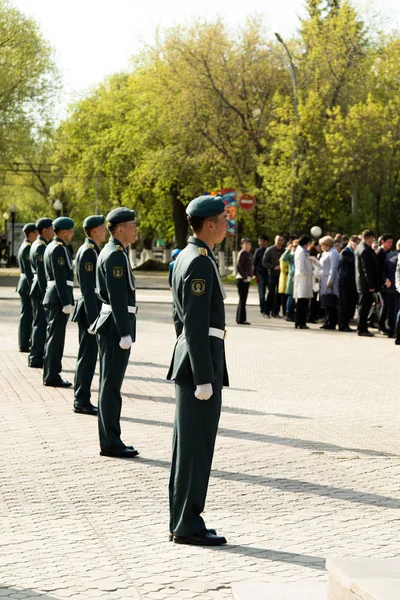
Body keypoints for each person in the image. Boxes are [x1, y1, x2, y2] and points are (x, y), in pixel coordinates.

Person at [167, 195, 229, 547]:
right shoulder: (199, 262)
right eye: (223, 218)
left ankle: (183, 517)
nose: (226, 223)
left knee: (188, 446)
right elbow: (193, 322)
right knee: (195, 446)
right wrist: (204, 376)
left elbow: (181, 319)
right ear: (209, 224)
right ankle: (188, 521)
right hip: (199, 366)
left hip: (192, 360)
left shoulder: (186, 257)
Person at [91, 207, 139, 458]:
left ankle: (112, 438)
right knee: (110, 387)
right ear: (120, 228)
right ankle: (110, 441)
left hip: (112, 324)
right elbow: (118, 297)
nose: (135, 230)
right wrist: (124, 332)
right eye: (132, 225)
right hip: (114, 327)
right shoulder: (115, 256)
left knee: (109, 386)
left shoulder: (114, 251)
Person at [72, 215, 107, 416]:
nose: (105, 231)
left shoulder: (92, 250)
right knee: (87, 357)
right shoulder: (88, 252)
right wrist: (95, 319)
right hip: (89, 310)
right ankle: (81, 399)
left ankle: (82, 397)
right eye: (102, 228)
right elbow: (88, 288)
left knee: (88, 356)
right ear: (94, 231)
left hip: (91, 308)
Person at [42, 217, 75, 387]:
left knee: (53, 338)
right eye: (70, 230)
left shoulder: (53, 246)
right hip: (57, 298)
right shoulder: (58, 249)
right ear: (63, 231)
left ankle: (51, 373)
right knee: (56, 339)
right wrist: (66, 302)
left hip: (54, 296)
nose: (71, 233)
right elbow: (61, 278)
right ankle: (52, 375)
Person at [28, 218, 54, 368]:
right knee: (40, 323)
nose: (53, 231)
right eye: (51, 228)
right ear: (44, 230)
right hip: (39, 289)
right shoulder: (41, 247)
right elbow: (42, 273)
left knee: (39, 322)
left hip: (37, 288)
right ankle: (36, 356)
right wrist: (46, 293)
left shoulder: (39, 244)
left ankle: (36, 354)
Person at [16, 223, 38, 352]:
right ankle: (24, 343)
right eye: (36, 233)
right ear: (31, 234)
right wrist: (33, 287)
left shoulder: (26, 246)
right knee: (27, 315)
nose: (38, 235)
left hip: (25, 284)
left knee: (28, 315)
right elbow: (29, 272)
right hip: (27, 285)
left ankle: (26, 341)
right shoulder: (27, 248)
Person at [355, 229, 379, 337]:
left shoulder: (360, 247)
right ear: (369, 238)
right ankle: (362, 328)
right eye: (372, 238)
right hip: (366, 285)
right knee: (364, 307)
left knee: (363, 306)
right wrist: (371, 285)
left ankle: (362, 327)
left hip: (362, 283)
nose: (373, 240)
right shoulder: (365, 250)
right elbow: (367, 270)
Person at [338, 235, 359, 332]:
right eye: (356, 244)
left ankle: (345, 323)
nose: (357, 246)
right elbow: (352, 263)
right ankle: (343, 325)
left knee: (350, 304)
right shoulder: (345, 252)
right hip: (345, 282)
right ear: (351, 242)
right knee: (344, 304)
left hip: (351, 282)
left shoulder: (352, 252)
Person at [319, 236, 340, 330]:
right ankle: (327, 321)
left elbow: (333, 267)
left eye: (322, 245)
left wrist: (330, 280)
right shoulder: (326, 252)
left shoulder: (333, 253)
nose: (321, 247)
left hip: (329, 279)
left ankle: (331, 322)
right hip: (324, 279)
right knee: (326, 302)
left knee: (330, 302)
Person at [262, 234, 285, 317]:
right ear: (275, 240)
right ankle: (266, 312)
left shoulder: (284, 251)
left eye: (282, 240)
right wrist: (273, 267)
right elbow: (264, 262)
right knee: (271, 293)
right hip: (271, 274)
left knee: (279, 294)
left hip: (281, 276)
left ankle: (275, 312)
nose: (280, 242)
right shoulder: (270, 250)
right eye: (278, 240)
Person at [293, 235, 314, 329]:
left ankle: (301, 322)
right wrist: (307, 275)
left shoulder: (304, 251)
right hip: (302, 278)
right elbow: (301, 266)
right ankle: (300, 322)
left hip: (305, 278)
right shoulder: (301, 251)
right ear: (307, 243)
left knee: (304, 301)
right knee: (301, 301)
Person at [376, 233, 394, 334]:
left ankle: (384, 325)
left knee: (386, 305)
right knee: (384, 304)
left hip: (388, 283)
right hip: (382, 283)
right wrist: (382, 282)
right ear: (382, 242)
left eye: (392, 242)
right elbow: (378, 270)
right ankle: (381, 326)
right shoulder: (379, 253)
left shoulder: (389, 252)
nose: (391, 244)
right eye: (389, 242)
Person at [382, 241, 399, 338]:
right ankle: (396, 330)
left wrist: (386, 279)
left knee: (390, 309)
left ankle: (390, 329)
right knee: (396, 309)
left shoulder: (389, 255)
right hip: (396, 287)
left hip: (390, 286)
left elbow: (383, 270)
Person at [235, 238, 253, 325]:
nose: (247, 246)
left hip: (245, 278)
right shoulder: (242, 253)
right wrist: (245, 276)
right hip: (242, 279)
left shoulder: (247, 254)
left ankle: (240, 318)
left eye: (249, 245)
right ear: (242, 245)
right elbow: (238, 266)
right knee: (243, 299)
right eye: (246, 244)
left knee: (243, 299)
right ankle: (241, 319)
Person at [281, 239, 299, 321]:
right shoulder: (291, 254)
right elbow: (283, 258)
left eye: (298, 246)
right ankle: (288, 313)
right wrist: (288, 249)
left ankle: (295, 313)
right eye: (295, 246)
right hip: (292, 276)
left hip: (299, 277)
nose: (296, 247)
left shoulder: (301, 253)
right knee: (291, 296)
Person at [253, 235, 269, 315]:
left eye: (261, 241)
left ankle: (268, 309)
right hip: (260, 274)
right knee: (262, 293)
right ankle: (263, 309)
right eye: (259, 241)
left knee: (271, 292)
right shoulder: (258, 251)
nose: (259, 243)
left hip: (269, 274)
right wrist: (254, 274)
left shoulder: (269, 250)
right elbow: (254, 263)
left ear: (266, 241)